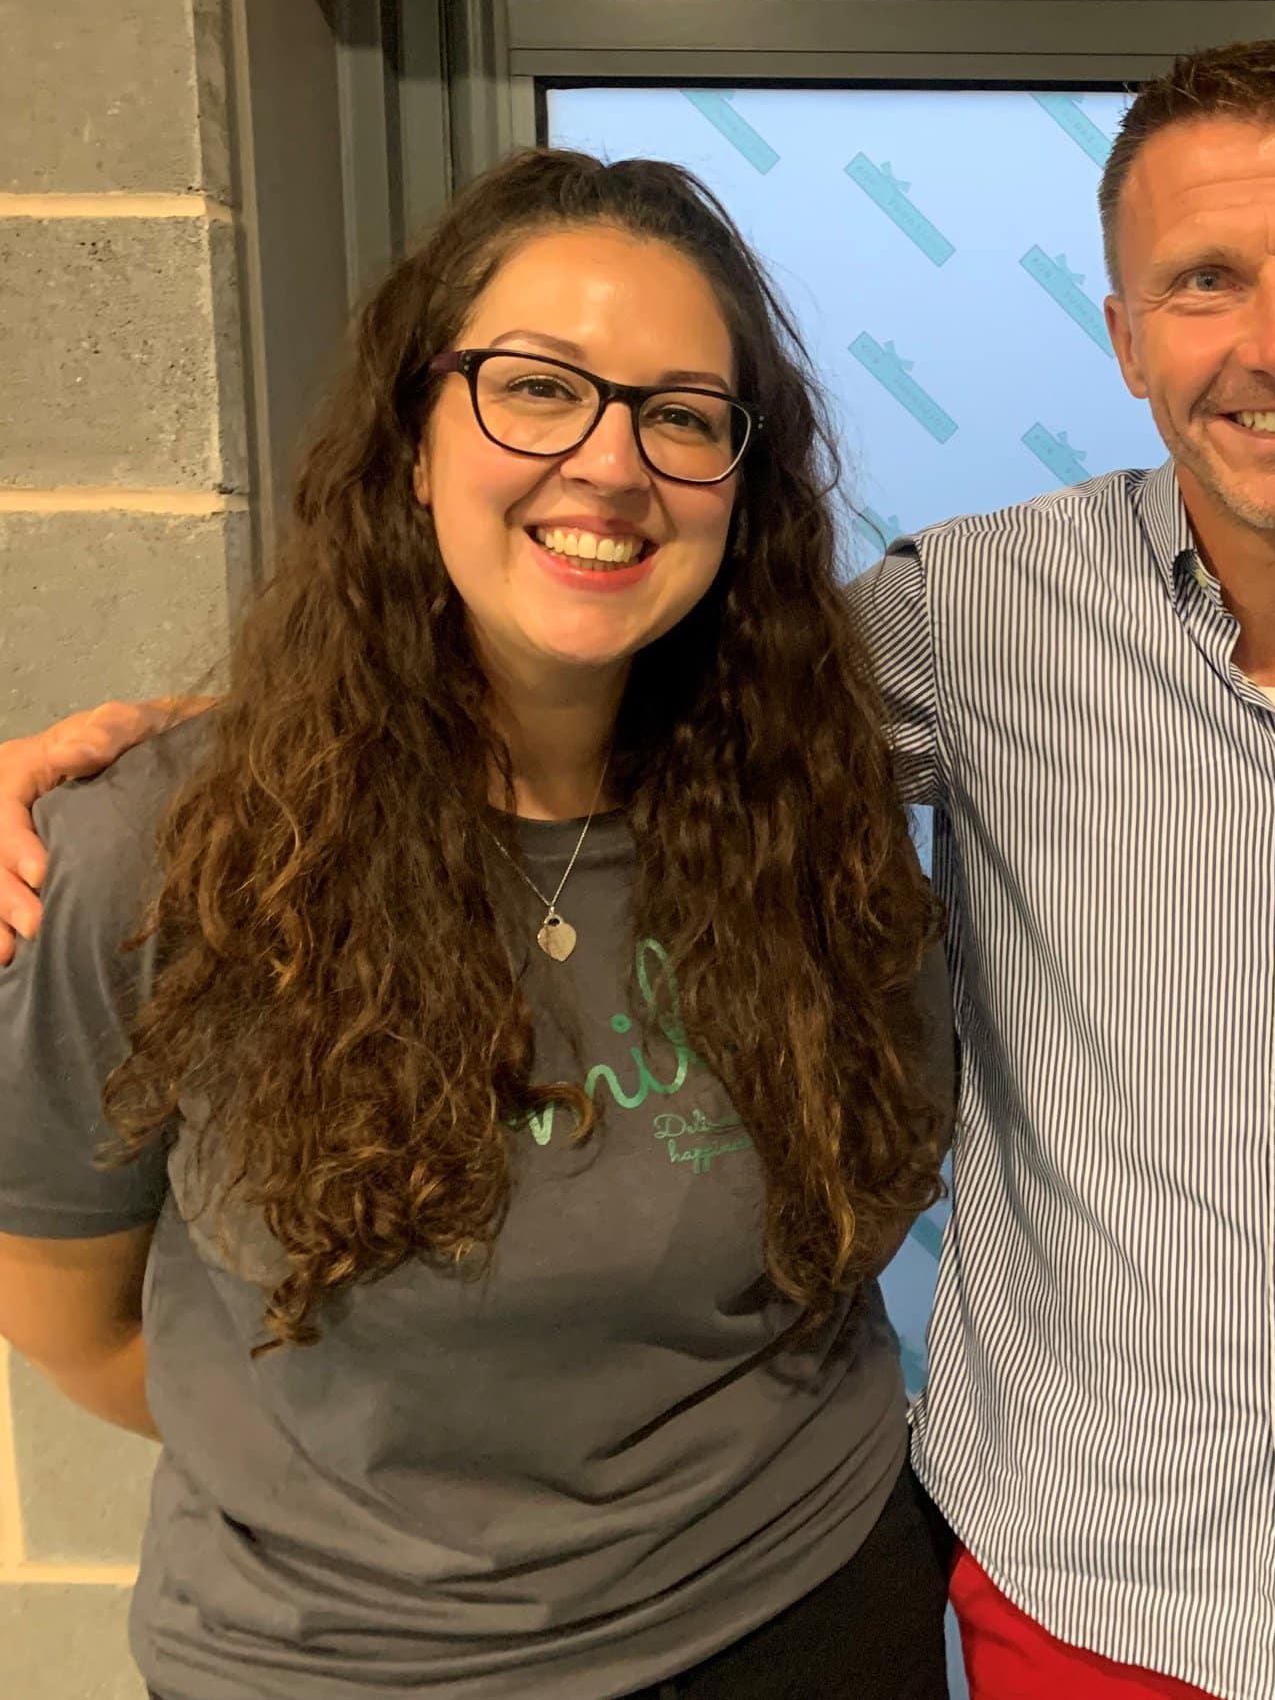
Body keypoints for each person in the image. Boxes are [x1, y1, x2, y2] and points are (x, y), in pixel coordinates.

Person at [0, 44, 1275, 1700]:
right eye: (1207, 279)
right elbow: (611, 643)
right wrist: (183, 756)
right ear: (1128, 334)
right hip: (1084, 1572)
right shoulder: (978, 616)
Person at [0, 150, 955, 1700]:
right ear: (415, 442)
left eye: (683, 416)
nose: (611, 462)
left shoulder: (819, 831)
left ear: (741, 488)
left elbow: (863, 1211)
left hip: (796, 1615)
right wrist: (405, 1517)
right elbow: (76, 1328)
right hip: (334, 1664)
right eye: (537, 388)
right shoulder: (154, 862)